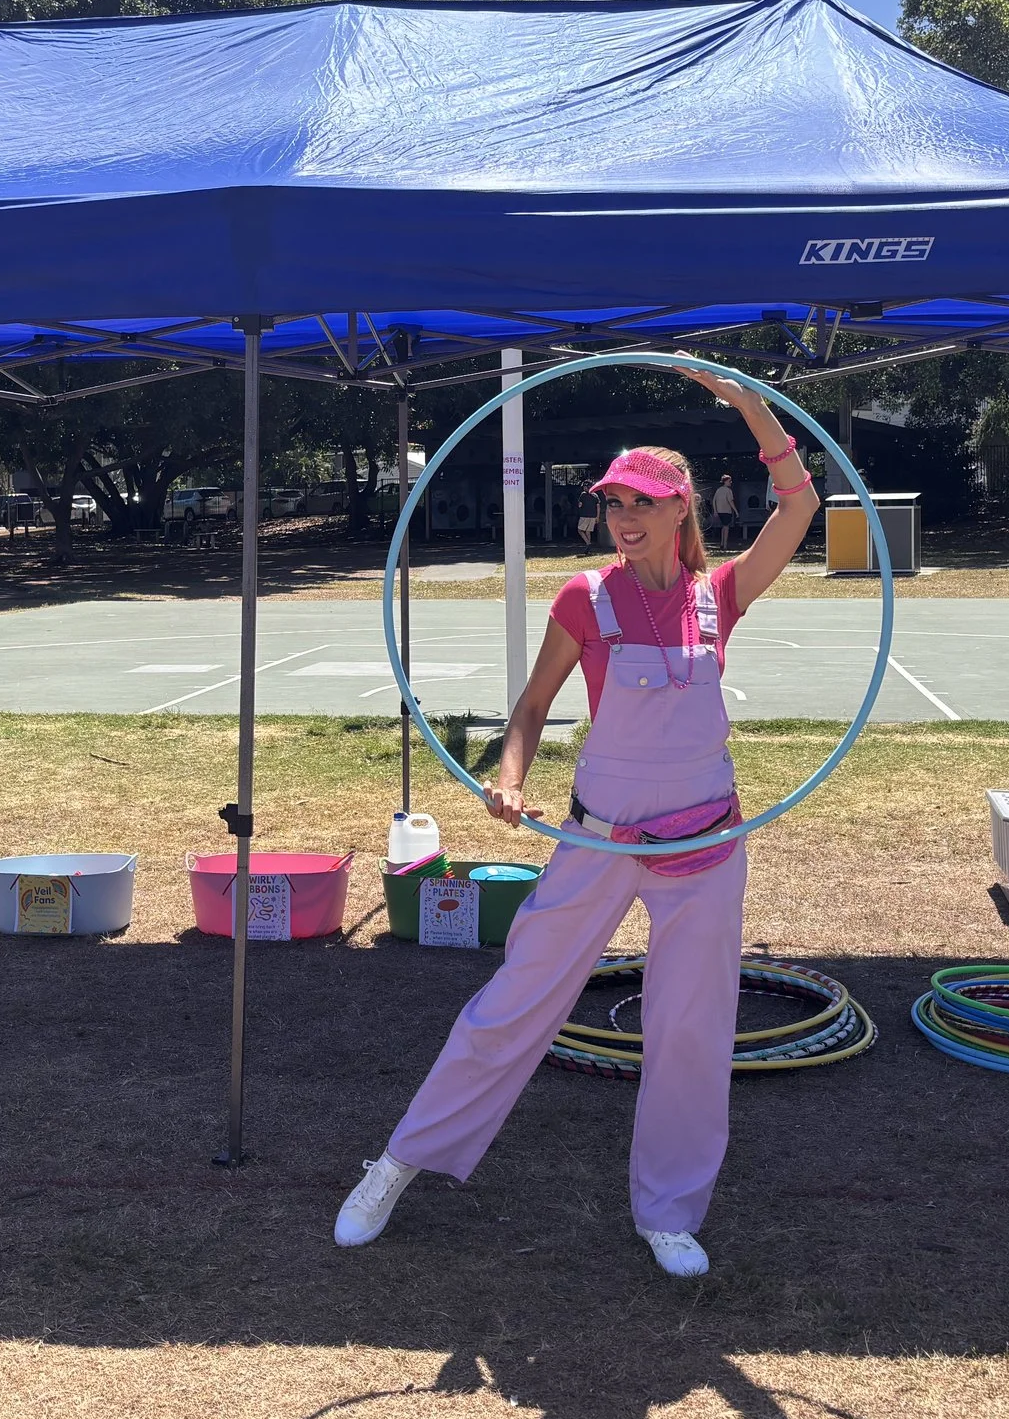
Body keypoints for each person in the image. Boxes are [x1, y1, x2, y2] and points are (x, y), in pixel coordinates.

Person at [334, 362, 823, 1278]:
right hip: (600, 837)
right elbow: (528, 710)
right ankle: (399, 1161)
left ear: (682, 509)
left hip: (706, 845)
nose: (622, 516)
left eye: (641, 500)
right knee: (513, 1004)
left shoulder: (720, 597)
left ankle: (669, 1211)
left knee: (690, 1028)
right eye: (610, 502)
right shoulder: (585, 598)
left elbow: (797, 506)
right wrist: (509, 780)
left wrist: (747, 404)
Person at [710, 471, 741, 549]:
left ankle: (722, 543)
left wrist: (715, 511)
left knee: (723, 527)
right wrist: (736, 511)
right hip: (727, 511)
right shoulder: (728, 491)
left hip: (719, 511)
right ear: (726, 481)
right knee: (726, 527)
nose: (731, 482)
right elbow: (730, 501)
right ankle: (725, 545)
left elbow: (714, 500)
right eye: (729, 481)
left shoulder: (718, 490)